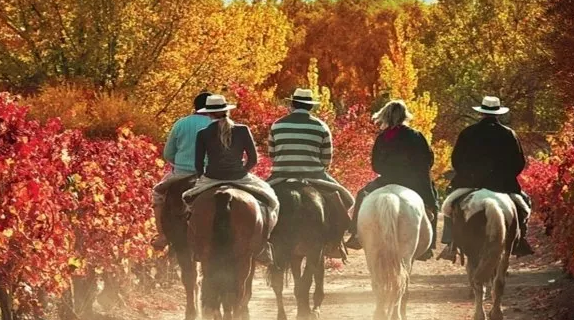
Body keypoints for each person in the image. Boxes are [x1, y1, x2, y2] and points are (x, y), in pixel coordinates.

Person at [183, 94, 281, 266]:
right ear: (226, 110)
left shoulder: (203, 133)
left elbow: (198, 164)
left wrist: (202, 178)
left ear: (209, 114)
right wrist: (240, 172)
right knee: (272, 201)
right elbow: (253, 160)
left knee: (188, 203)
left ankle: (197, 247)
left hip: (211, 178)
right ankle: (264, 246)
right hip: (240, 177)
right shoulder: (242, 130)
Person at [438, 96, 534, 261]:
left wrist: (470, 175)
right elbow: (519, 163)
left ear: (481, 113)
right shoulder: (509, 134)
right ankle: (519, 242)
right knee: (524, 208)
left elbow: (456, 161)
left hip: (470, 183)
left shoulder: (467, 132)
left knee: (449, 207)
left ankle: (451, 243)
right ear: (498, 114)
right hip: (503, 186)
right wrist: (504, 177)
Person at [266, 88, 355, 259]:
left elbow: (272, 154)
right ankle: (335, 243)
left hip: (280, 175)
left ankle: (263, 244)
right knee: (347, 200)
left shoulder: (278, 124)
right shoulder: (321, 126)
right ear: (310, 107)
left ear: (292, 104)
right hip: (315, 175)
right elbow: (326, 159)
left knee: (260, 202)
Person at [344, 100, 436, 261]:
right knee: (432, 202)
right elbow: (427, 160)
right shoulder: (416, 135)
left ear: (385, 116)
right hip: (413, 182)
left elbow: (375, 165)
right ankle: (429, 247)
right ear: (405, 116)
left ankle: (356, 235)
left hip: (386, 180)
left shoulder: (382, 137)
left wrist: (388, 172)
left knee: (361, 194)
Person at [150, 91, 213, 251]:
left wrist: (177, 162)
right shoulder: (218, 123)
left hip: (181, 173)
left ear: (195, 106)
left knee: (158, 194)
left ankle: (162, 235)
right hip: (210, 175)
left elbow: (168, 153)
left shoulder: (181, 123)